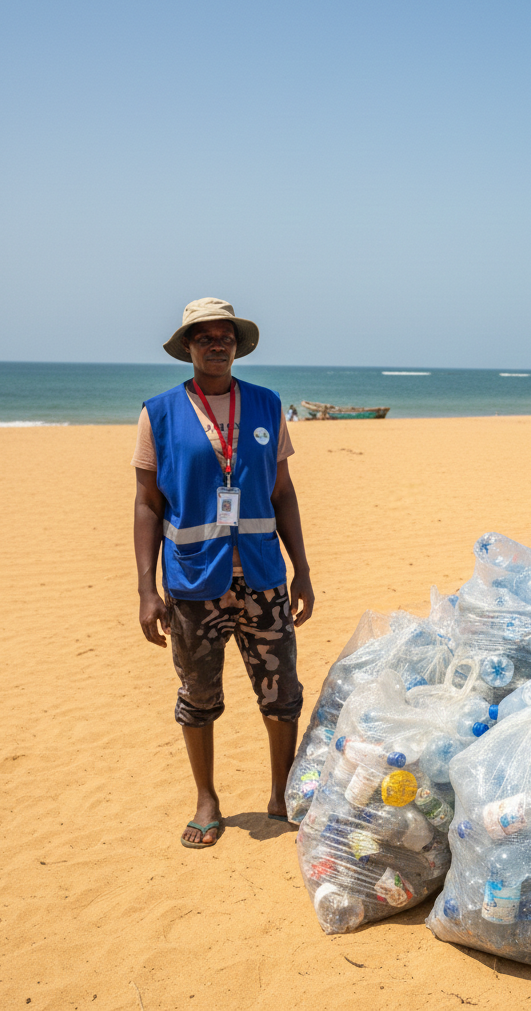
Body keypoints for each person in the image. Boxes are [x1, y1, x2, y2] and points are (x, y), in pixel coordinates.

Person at [133, 298, 315, 849]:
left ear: (237, 345)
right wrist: (146, 590)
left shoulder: (266, 405)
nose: (217, 344)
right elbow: (148, 505)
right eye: (205, 336)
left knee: (282, 693)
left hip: (263, 578)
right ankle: (207, 800)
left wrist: (302, 570)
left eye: (225, 336)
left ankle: (281, 793)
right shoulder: (159, 413)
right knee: (198, 696)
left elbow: (282, 493)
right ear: (187, 347)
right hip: (193, 584)